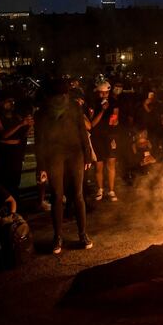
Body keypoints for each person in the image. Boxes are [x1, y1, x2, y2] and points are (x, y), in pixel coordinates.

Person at [35, 82, 94, 255]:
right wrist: (41, 166)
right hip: (55, 155)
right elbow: (40, 141)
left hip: (75, 153)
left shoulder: (74, 107)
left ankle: (83, 234)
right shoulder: (42, 113)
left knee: (78, 194)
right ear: (52, 97)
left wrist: (87, 154)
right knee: (57, 196)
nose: (64, 98)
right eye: (60, 95)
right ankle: (57, 237)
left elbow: (82, 131)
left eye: (65, 94)